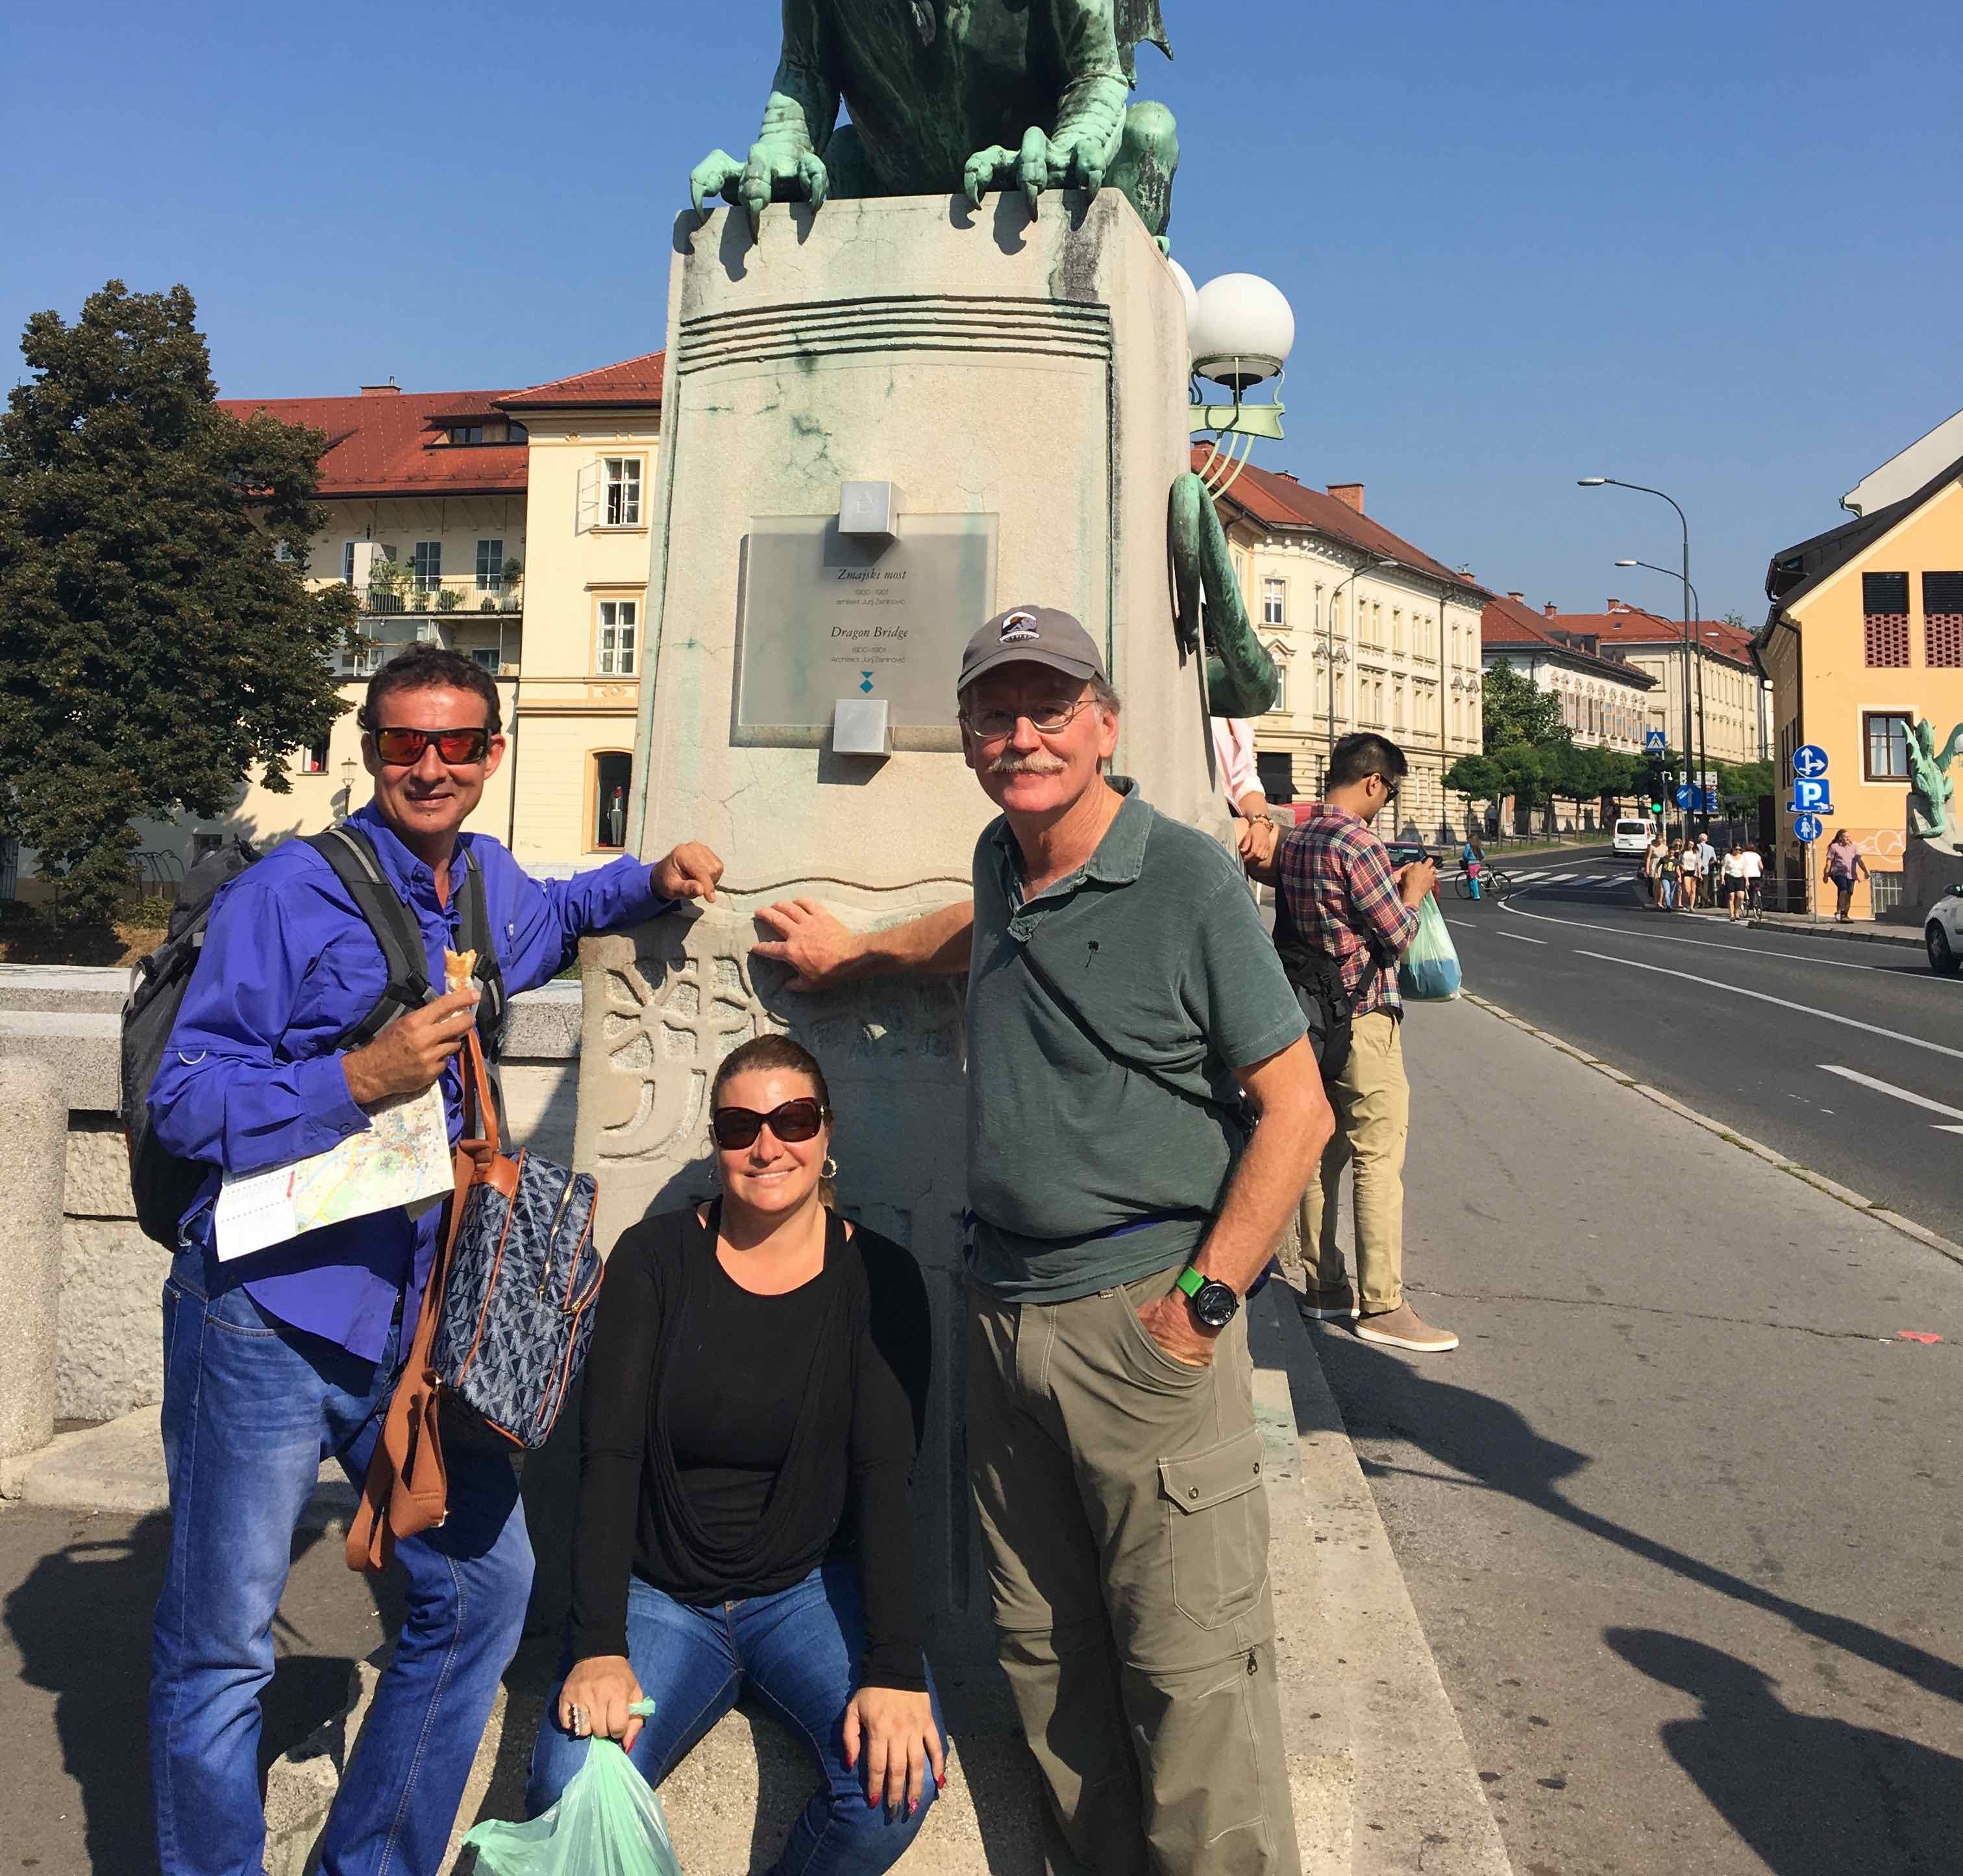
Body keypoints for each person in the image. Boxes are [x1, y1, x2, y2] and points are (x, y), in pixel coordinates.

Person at [752, 604, 1333, 1876]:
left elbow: (1299, 1108)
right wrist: (856, 957)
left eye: (1050, 709)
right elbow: (980, 935)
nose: (1023, 736)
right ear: (967, 736)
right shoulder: (1000, 863)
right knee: (1048, 1667)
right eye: (996, 714)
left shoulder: (1182, 878)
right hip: (1005, 1316)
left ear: (1105, 725)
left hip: (1143, 1324)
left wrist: (1201, 1314)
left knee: (1192, 1686)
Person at [145, 645, 724, 1876]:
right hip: (266, 1309)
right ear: (370, 751)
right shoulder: (285, 896)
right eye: (405, 741)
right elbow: (183, 1100)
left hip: (416, 1327)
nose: (430, 764)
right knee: (222, 1648)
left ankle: (372, 1864)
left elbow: (559, 914)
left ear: (491, 756)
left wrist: (649, 880)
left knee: (478, 1595)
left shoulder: (485, 885)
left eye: (457, 743)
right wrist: (356, 1079)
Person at [528, 1035, 944, 1868]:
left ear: (828, 1133)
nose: (767, 1145)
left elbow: (886, 1479)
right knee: (570, 1784)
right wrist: (598, 1645)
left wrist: (893, 1670)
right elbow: (607, 1457)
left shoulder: (883, 1278)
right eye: (739, 1125)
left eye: (792, 1119)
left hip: (807, 1592)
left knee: (892, 1791)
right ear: (715, 1143)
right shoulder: (653, 1260)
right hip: (660, 1598)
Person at [1274, 734, 1455, 1354]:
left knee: (1321, 1154)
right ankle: (1383, 1304)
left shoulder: (1298, 837)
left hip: (1311, 1018)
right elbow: (1397, 934)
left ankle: (1323, 1287)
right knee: (1379, 1156)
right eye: (1392, 790)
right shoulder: (1359, 842)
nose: (1388, 801)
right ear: (1374, 782)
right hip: (1364, 1017)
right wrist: (1415, 889)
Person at [1213, 712, 1274, 865]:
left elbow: (1244, 782)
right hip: (1199, 821)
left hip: (1227, 820)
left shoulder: (1235, 718)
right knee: (1296, 851)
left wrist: (1261, 822)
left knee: (1298, 848)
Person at [1823, 829, 1868, 922]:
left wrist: (1866, 871)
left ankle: (1845, 914)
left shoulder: (1853, 848)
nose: (1848, 839)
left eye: (1849, 837)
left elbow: (1859, 861)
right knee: (1843, 890)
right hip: (1838, 873)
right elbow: (1829, 862)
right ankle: (1840, 913)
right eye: (1845, 837)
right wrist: (1826, 874)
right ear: (1840, 838)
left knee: (1849, 893)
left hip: (1851, 875)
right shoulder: (1834, 847)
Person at [1721, 841, 1747, 920]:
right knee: (1731, 896)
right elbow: (1723, 867)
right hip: (1730, 876)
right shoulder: (1728, 856)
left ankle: (1737, 911)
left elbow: (1745, 869)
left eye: (1740, 850)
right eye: (1736, 849)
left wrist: (1747, 879)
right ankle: (1732, 914)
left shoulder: (1743, 857)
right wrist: (1722, 877)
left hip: (1740, 876)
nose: (1738, 851)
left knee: (1741, 896)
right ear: (1732, 849)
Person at [1739, 838, 1764, 919]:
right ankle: (1756, 901)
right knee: (1755, 888)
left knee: (1745, 889)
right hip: (1756, 875)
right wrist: (1761, 872)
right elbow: (1761, 867)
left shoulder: (1743, 855)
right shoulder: (1757, 855)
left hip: (1747, 875)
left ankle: (1747, 902)